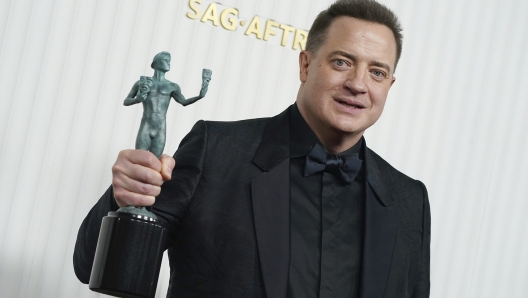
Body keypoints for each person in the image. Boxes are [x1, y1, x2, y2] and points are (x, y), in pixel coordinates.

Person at [74, 0, 430, 297]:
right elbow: (92, 265)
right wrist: (126, 198)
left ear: (390, 85)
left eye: (377, 72)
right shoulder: (215, 151)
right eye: (341, 62)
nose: (357, 84)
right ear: (305, 65)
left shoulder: (409, 201)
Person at [124, 51, 210, 158]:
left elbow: (183, 102)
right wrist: (137, 99)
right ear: (156, 63)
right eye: (165, 60)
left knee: (155, 162)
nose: (168, 63)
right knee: (140, 160)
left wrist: (199, 96)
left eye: (169, 61)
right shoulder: (142, 83)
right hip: (146, 126)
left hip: (161, 127)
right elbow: (126, 101)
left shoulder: (172, 86)